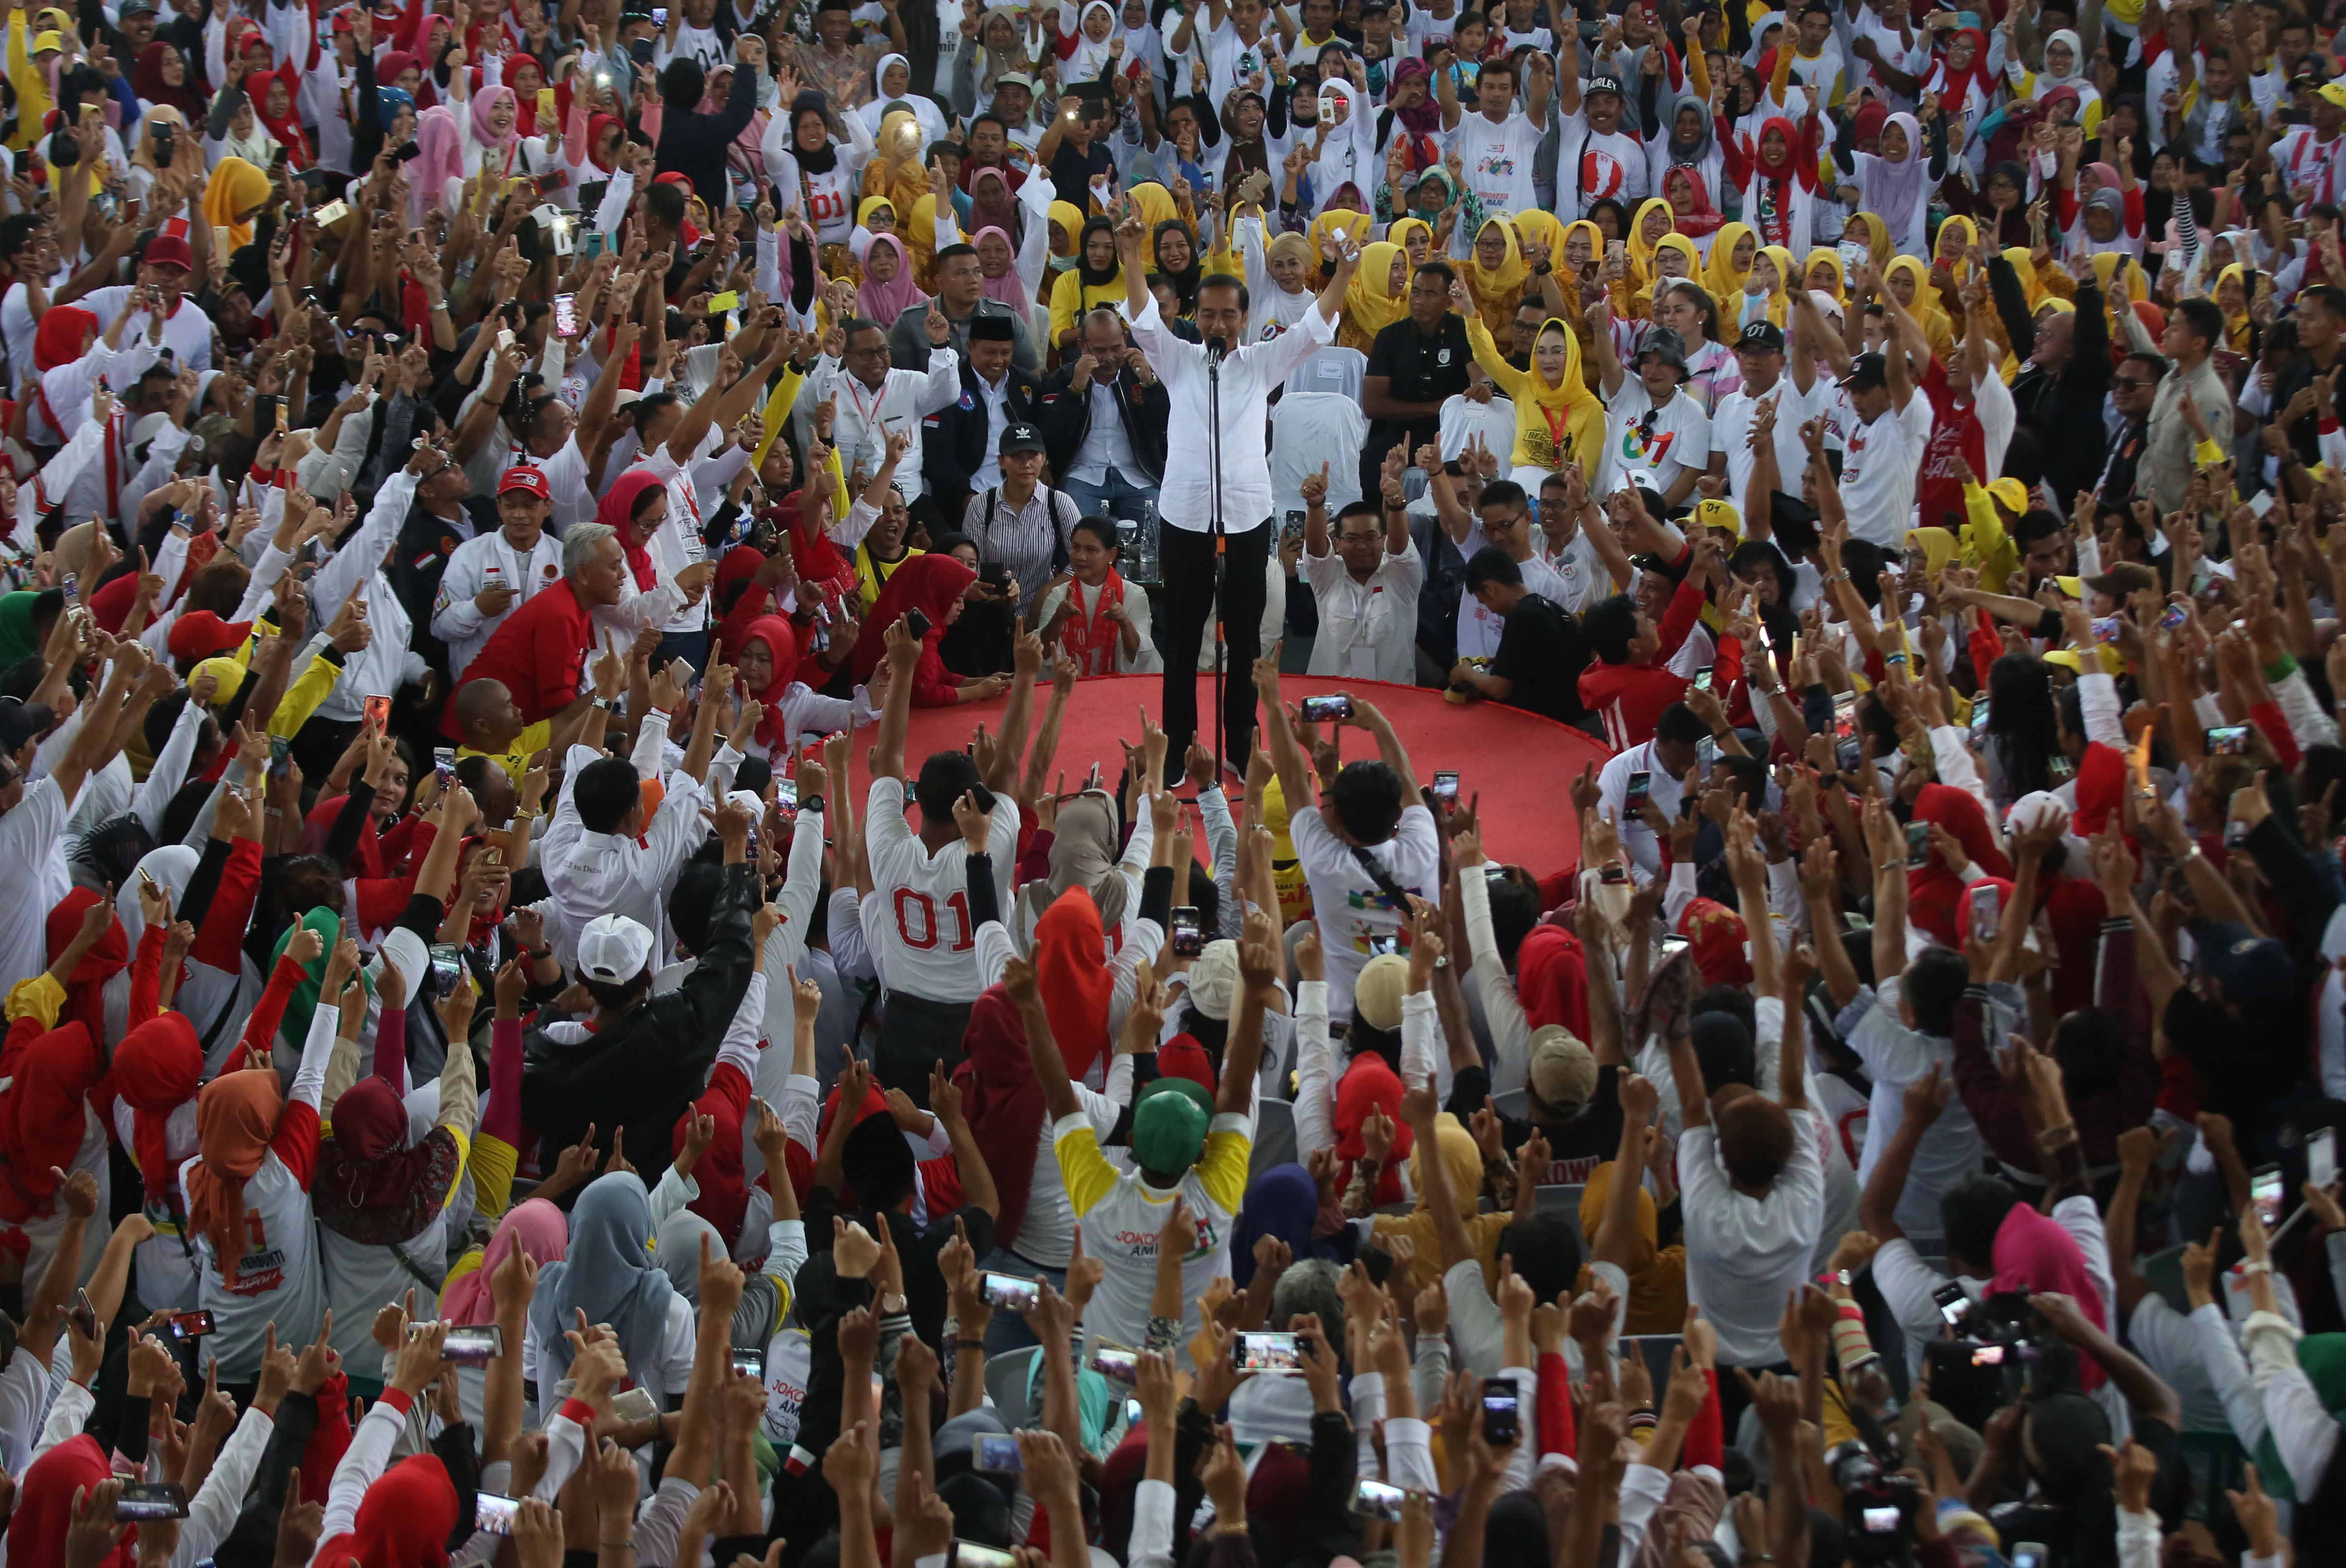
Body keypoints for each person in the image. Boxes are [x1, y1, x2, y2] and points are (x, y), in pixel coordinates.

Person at [1115, 196, 1360, 768]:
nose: (1218, 324)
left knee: (1245, 637)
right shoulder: (1176, 359)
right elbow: (1143, 318)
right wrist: (1130, 254)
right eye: (1208, 315)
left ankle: (1239, 743)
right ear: (1194, 318)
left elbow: (1313, 329)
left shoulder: (1260, 363)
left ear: (1244, 318)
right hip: (1184, 514)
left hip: (1248, 515)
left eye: (1228, 315)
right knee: (1180, 638)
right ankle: (1176, 748)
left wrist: (1345, 272)